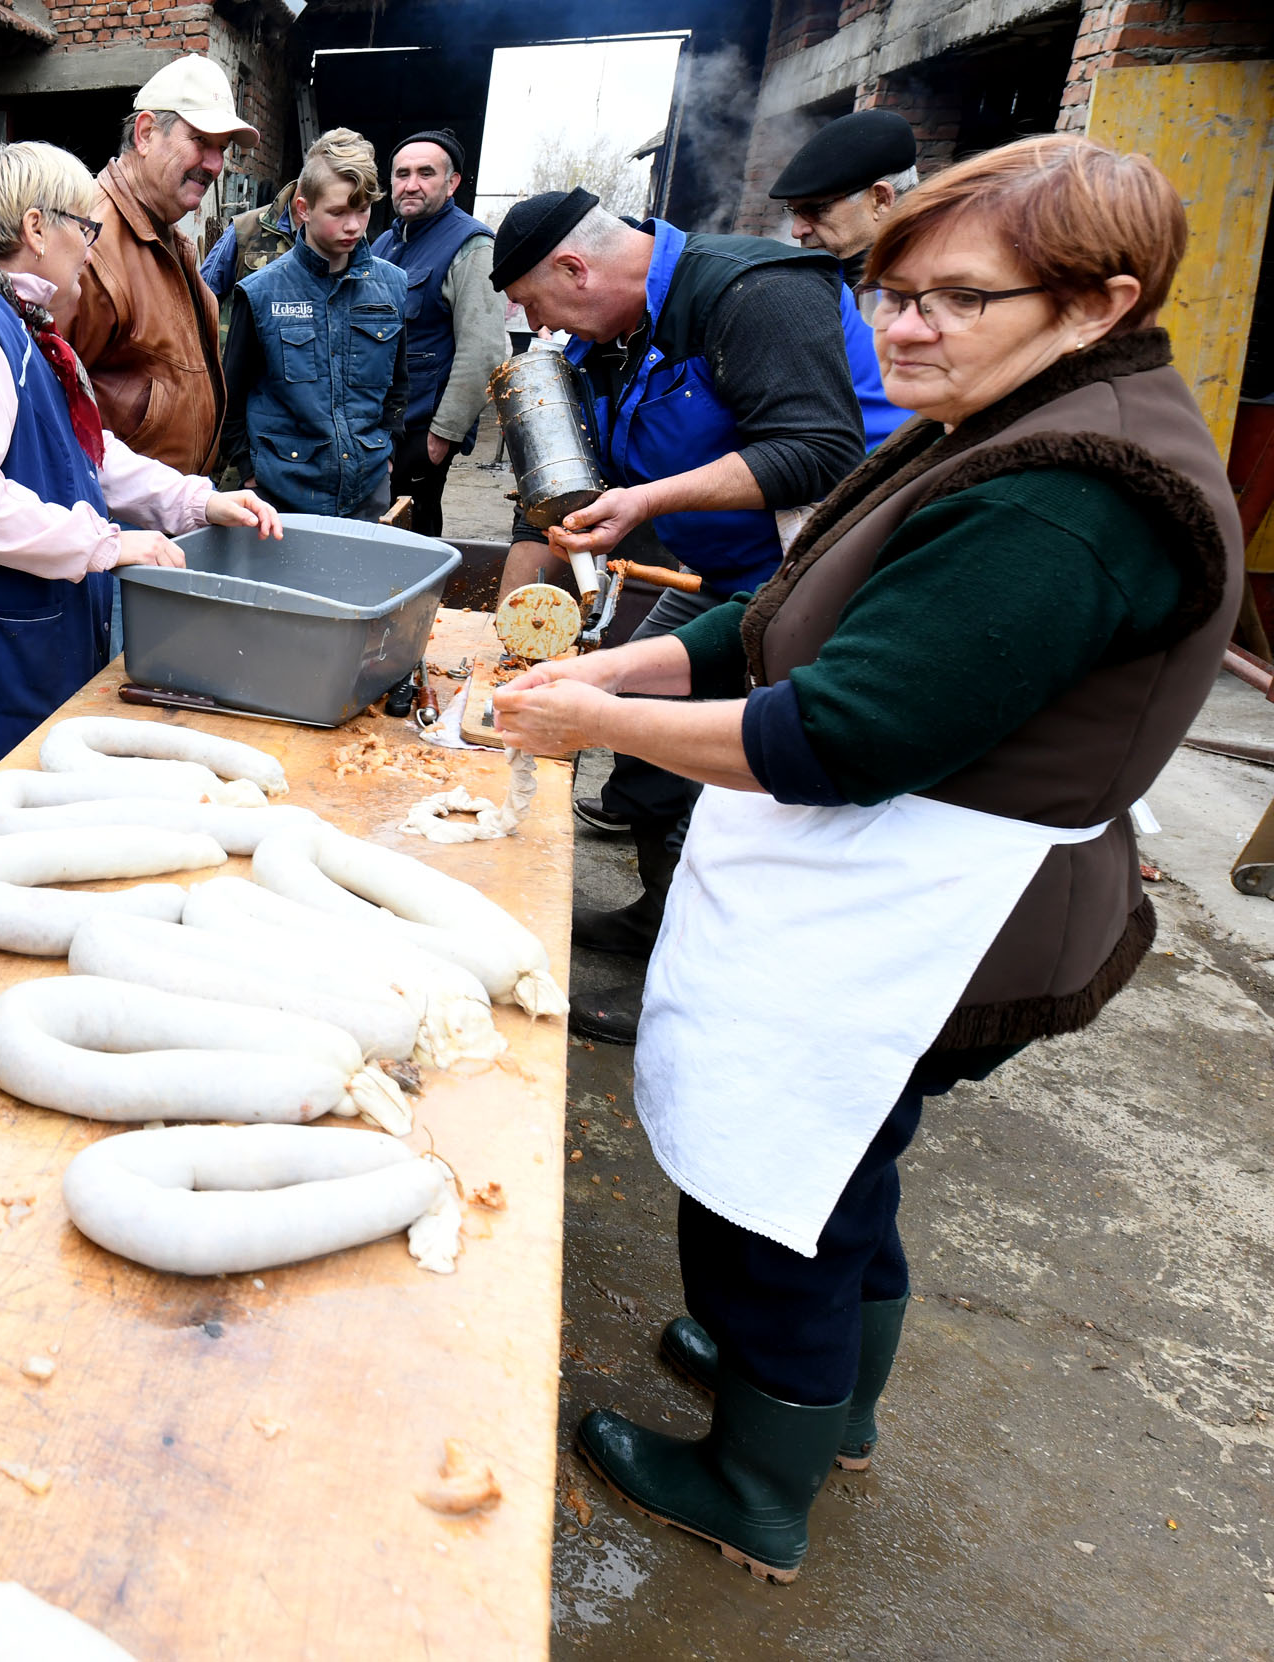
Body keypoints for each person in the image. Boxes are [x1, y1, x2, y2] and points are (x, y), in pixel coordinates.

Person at [493, 136, 1236, 1583]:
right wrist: (635, 669)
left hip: (931, 912)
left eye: (955, 298)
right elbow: (786, 612)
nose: (903, 325)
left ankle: (752, 1481)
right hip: (885, 884)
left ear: (1097, 302)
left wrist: (593, 722)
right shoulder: (989, 414)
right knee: (847, 1163)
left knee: (792, 1177)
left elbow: (836, 727)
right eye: (891, 292)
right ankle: (818, 1395)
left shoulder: (1065, 498)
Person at [0, 142, 279, 900]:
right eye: (85, 229)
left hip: (12, 635)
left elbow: (86, 459)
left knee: (4, 859)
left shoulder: (28, 330)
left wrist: (195, 500)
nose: (92, 249)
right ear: (35, 226)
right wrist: (105, 543)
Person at [488, 188, 873, 1017]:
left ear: (573, 268)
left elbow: (818, 449)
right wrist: (512, 623)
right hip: (726, 574)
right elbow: (550, 493)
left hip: (812, 580)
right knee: (638, 727)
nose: (542, 327)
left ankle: (703, 991)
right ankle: (655, 919)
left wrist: (649, 501)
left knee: (743, 792)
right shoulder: (610, 341)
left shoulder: (750, 292)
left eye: (533, 304)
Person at [70, 54, 253, 473]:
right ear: (146, 133)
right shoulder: (90, 244)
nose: (215, 165)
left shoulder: (169, 237)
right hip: (118, 520)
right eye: (201, 141)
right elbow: (43, 412)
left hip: (169, 511)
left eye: (222, 149)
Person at [216, 129, 406, 520]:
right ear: (303, 209)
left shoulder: (391, 287)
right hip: (283, 494)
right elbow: (229, 395)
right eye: (338, 212)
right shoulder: (261, 292)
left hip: (367, 490)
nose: (353, 225)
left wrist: (388, 451)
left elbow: (398, 385)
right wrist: (248, 472)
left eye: (363, 209)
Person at [370, 129, 508, 537]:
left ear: (452, 184)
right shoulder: (383, 244)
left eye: (426, 173)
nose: (411, 184)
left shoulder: (472, 246)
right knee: (372, 530)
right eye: (402, 174)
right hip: (376, 427)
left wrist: (443, 434)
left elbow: (482, 352)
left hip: (419, 431)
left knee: (413, 533)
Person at [769, 107, 922, 447]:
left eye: (817, 209)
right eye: (794, 212)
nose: (797, 230)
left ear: (881, 199)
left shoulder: (937, 295)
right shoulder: (839, 284)